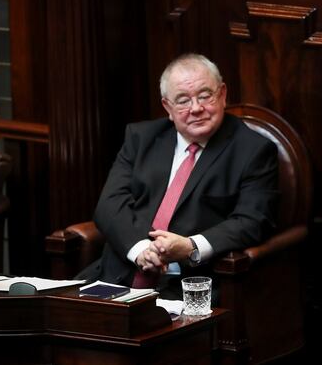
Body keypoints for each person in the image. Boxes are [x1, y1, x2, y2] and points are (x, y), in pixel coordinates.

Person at [76, 53, 279, 299]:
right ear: (167, 107)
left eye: (205, 96)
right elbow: (109, 205)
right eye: (183, 100)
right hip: (116, 275)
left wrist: (190, 247)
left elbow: (252, 220)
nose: (196, 108)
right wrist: (141, 250)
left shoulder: (252, 150)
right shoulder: (141, 138)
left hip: (188, 288)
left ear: (223, 94)